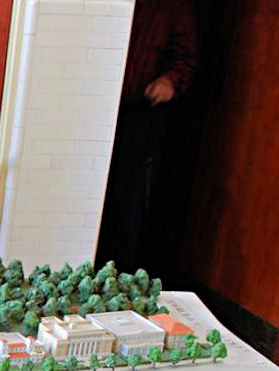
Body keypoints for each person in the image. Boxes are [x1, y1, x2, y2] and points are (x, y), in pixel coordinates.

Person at [96, 0, 197, 274]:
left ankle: (119, 275)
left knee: (129, 198)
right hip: (100, 105)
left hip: (140, 110)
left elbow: (184, 55)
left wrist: (169, 81)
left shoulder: (173, 7)